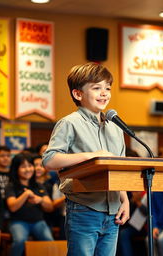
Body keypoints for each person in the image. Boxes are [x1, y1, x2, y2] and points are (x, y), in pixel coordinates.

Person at [42, 62, 130, 256]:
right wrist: (92, 156)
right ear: (78, 94)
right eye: (96, 88)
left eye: (107, 88)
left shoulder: (116, 127)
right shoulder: (69, 123)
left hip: (113, 211)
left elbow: (120, 169)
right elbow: (49, 160)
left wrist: (125, 201)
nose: (104, 93)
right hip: (84, 209)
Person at [5, 153, 54, 256]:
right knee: (19, 241)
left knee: (49, 242)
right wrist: (26, 194)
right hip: (18, 222)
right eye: (23, 167)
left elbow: (50, 207)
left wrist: (40, 200)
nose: (28, 169)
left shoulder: (38, 185)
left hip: (38, 222)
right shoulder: (11, 186)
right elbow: (12, 207)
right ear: (16, 169)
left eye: (30, 166)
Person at [33, 154, 66, 238]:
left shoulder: (49, 185)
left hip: (47, 218)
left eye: (41, 165)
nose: (38, 168)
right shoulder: (28, 184)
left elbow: (52, 206)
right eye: (35, 165)